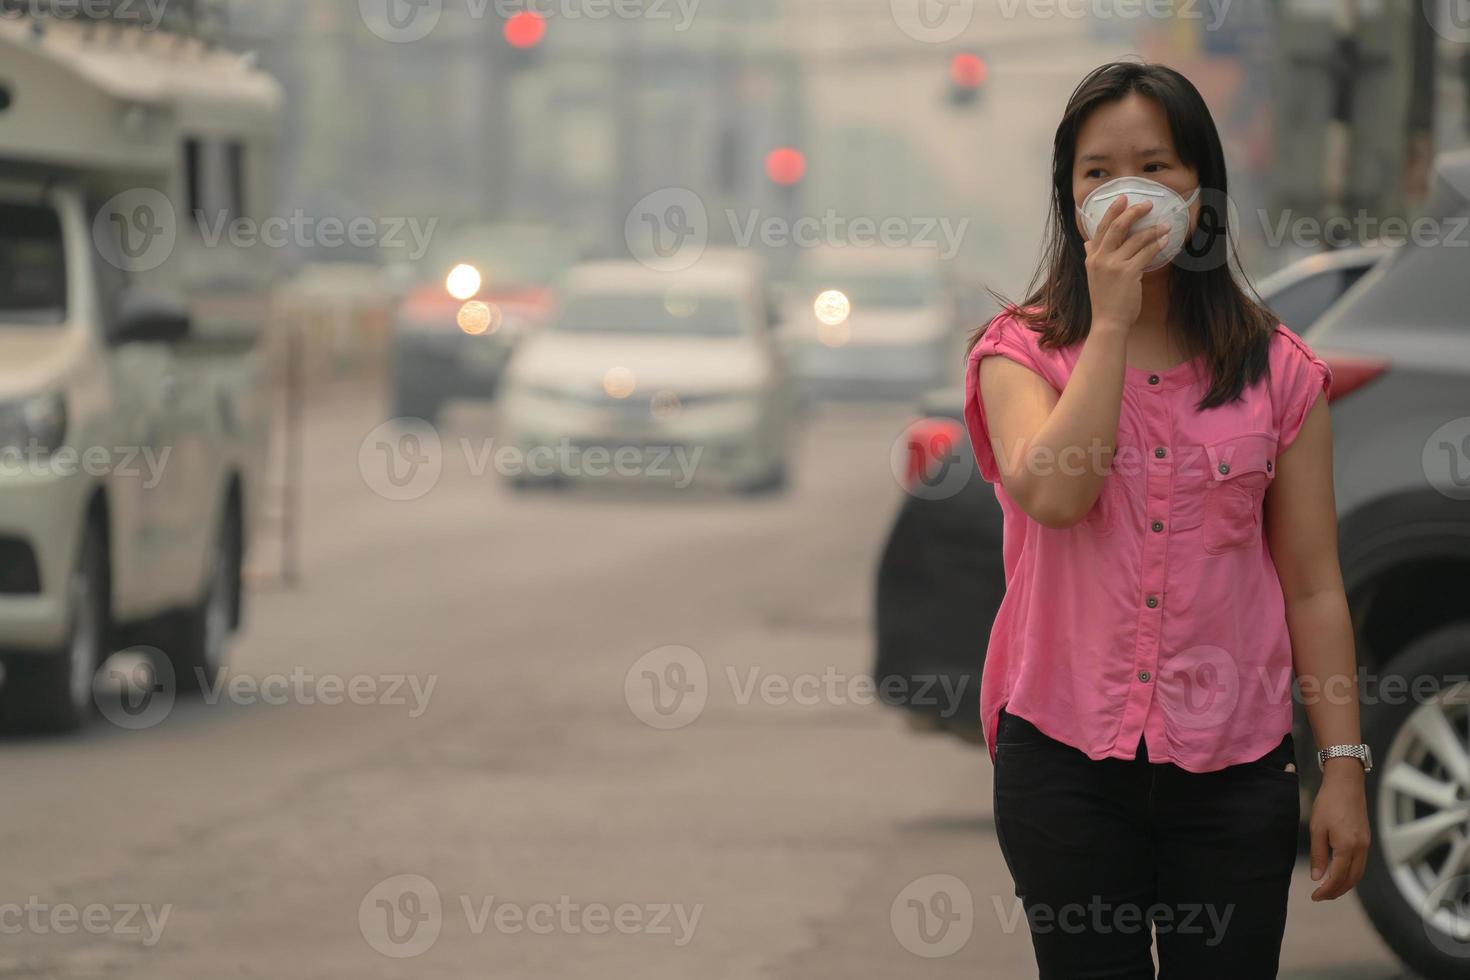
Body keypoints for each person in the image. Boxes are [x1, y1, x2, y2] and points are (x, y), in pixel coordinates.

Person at [964, 62, 1371, 979]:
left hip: (1233, 774)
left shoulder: (1281, 372)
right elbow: (1057, 493)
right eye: (1096, 173)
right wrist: (1107, 325)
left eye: (1157, 166)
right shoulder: (1020, 352)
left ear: (1203, 190)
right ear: (1067, 198)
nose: (1125, 193)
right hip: (1064, 766)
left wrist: (1342, 766)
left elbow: (1311, 585)